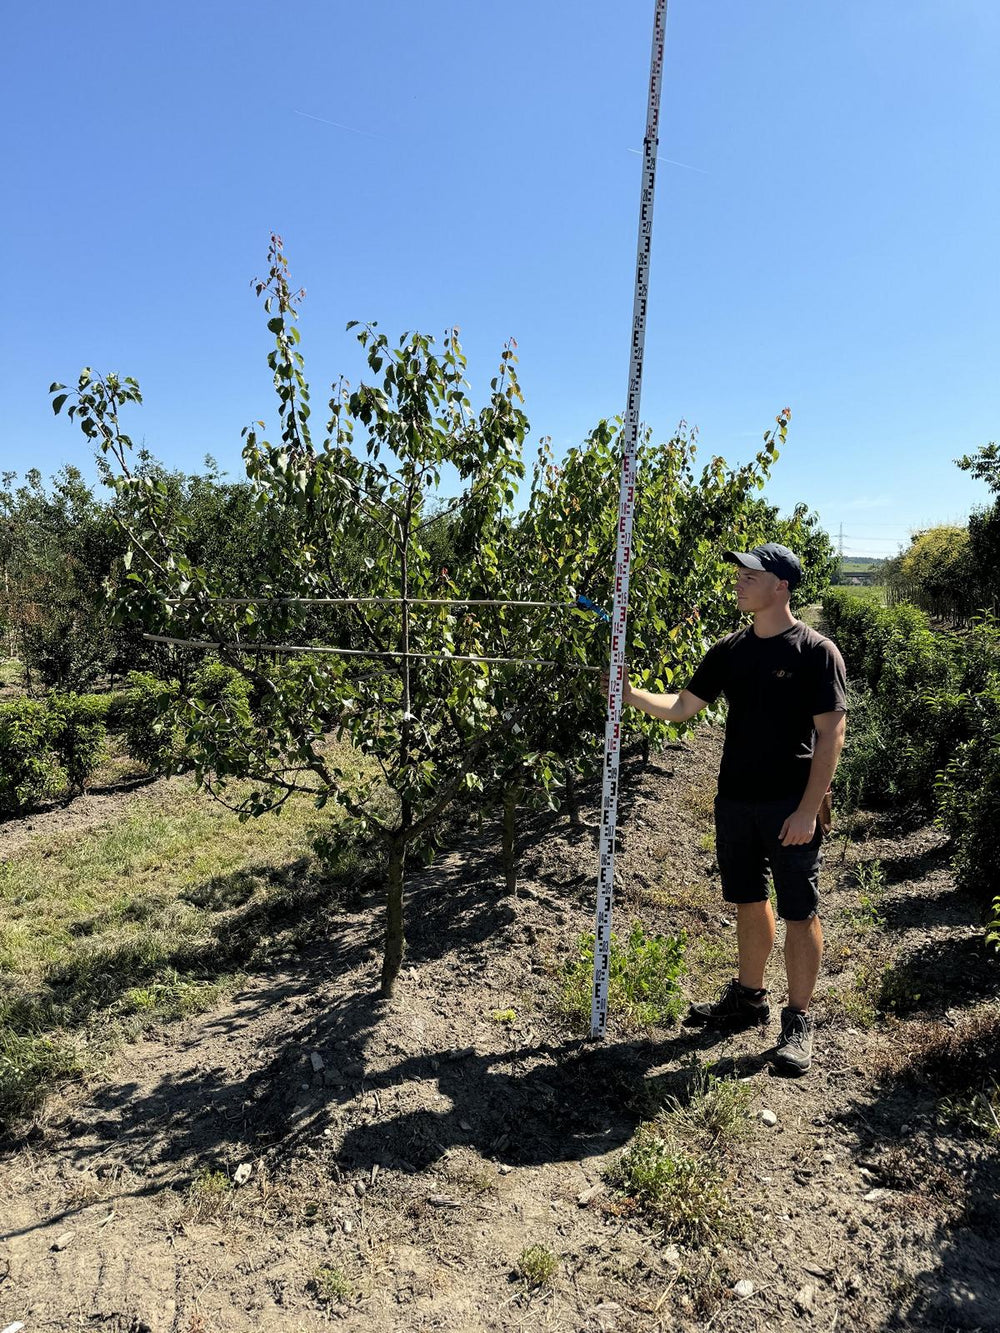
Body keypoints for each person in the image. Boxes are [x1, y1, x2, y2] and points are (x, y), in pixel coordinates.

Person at [620, 543, 847, 1074]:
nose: (740, 581)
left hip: (790, 805)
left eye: (752, 574)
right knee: (748, 900)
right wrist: (629, 694)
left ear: (781, 587)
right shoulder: (729, 650)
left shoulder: (815, 651)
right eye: (741, 573)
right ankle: (748, 999)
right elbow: (681, 708)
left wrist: (809, 809)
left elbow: (831, 734)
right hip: (735, 800)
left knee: (798, 909)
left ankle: (798, 1020)